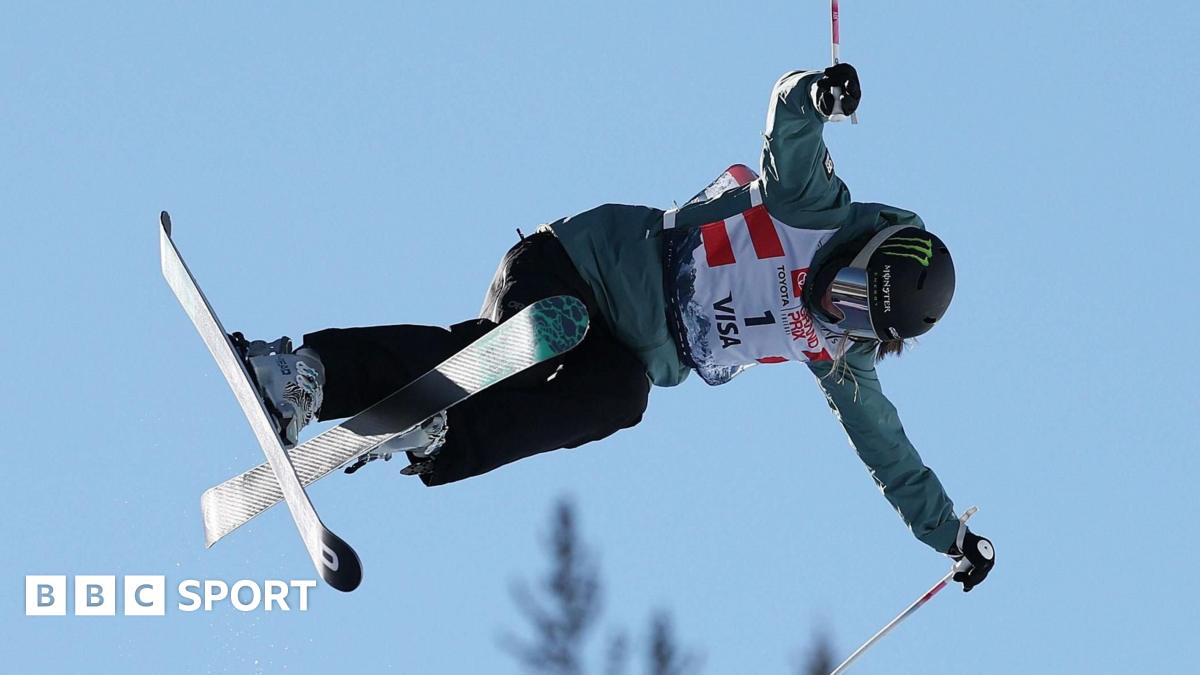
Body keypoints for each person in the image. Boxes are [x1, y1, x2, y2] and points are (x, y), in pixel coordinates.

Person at [242, 63, 995, 591]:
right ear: (866, 248)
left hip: (619, 350)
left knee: (624, 398)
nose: (844, 303)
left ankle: (439, 434)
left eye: (862, 315)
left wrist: (949, 536)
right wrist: (820, 91)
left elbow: (890, 453)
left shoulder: (838, 354)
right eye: (860, 283)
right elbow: (788, 116)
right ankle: (300, 371)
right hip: (575, 264)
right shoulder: (812, 205)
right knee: (547, 334)